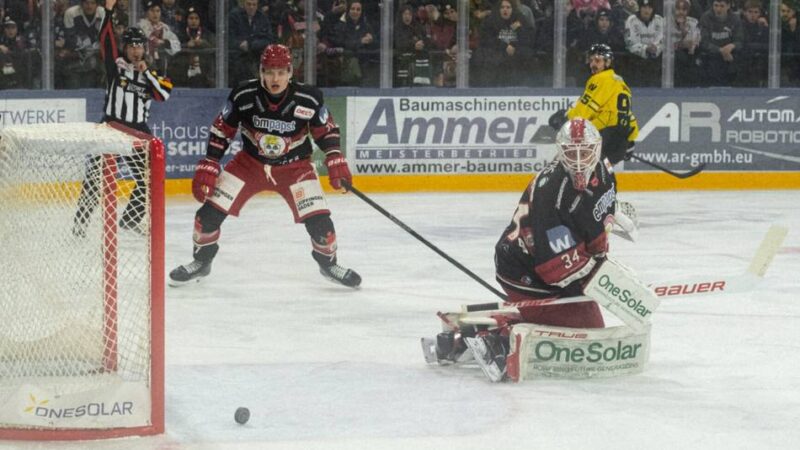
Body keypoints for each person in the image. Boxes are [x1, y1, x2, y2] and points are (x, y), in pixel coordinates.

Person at [434, 118, 617, 376]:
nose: (578, 160)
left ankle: (506, 323)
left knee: (591, 328)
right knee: (585, 335)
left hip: (556, 267)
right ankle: (491, 335)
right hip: (524, 270)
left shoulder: (605, 173)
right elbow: (554, 269)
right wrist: (600, 277)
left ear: (597, 149)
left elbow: (595, 225)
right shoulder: (551, 190)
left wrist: (608, 234)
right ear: (559, 151)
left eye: (585, 152)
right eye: (571, 153)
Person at [169, 44, 361, 289]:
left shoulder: (309, 98)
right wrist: (209, 163)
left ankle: (328, 264)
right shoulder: (243, 94)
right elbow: (221, 130)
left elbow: (326, 130)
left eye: (281, 72)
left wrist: (334, 156)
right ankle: (202, 262)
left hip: (295, 168)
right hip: (250, 164)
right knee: (206, 217)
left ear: (291, 72)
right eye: (269, 72)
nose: (275, 78)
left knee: (322, 227)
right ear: (261, 72)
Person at [73, 0, 173, 237]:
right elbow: (105, 39)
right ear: (125, 48)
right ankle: (80, 224)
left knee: (149, 179)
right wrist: (108, 11)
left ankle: (129, 219)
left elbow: (163, 95)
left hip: (138, 131)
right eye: (132, 46)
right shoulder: (114, 67)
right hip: (110, 126)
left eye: (140, 46)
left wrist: (145, 71)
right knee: (95, 180)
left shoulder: (152, 74)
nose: (136, 51)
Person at [549, 43, 638, 165]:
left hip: (605, 136)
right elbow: (628, 115)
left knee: (576, 167)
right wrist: (630, 140)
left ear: (607, 62)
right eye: (591, 60)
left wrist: (567, 120)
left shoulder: (600, 79)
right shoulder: (622, 84)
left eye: (597, 60)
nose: (593, 64)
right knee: (603, 173)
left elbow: (586, 108)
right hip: (622, 138)